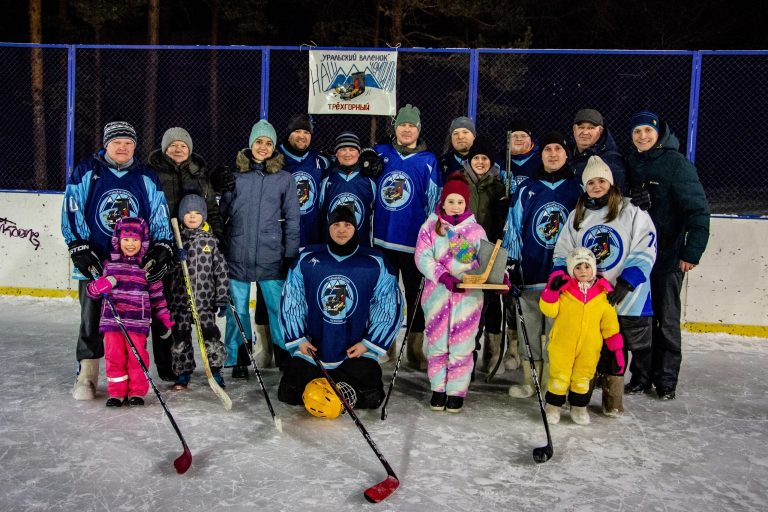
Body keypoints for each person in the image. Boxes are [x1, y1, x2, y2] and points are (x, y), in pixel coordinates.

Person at [62, 121, 173, 401]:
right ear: (106, 144)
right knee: (91, 318)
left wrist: (161, 245)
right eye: (117, 142)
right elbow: (73, 208)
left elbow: (159, 212)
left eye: (128, 143)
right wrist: (79, 245)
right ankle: (86, 375)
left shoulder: (146, 175)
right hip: (97, 262)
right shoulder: (88, 171)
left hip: (132, 269)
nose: (122, 147)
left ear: (135, 146)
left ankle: (132, 378)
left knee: (132, 323)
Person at [552, 156, 656, 416]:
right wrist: (560, 278)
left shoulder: (630, 211)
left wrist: (627, 280)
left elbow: (647, 245)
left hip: (625, 296)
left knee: (616, 348)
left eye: (601, 181)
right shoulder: (578, 214)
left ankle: (613, 400)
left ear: (610, 183)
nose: (596, 186)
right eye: (591, 182)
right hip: (588, 297)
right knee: (586, 348)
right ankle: (580, 398)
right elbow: (563, 251)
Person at [278, 205, 404, 410]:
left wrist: (368, 344)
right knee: (288, 393)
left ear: (356, 228)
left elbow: (388, 307)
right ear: (328, 228)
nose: (341, 230)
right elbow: (293, 300)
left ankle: (334, 382)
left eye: (347, 224)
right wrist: (299, 339)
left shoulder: (374, 261)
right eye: (336, 224)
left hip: (353, 352)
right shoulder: (307, 258)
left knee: (372, 398)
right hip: (314, 351)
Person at [626, 111, 710, 400]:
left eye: (647, 131)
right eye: (637, 132)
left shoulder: (676, 164)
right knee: (640, 319)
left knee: (667, 320)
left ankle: (666, 381)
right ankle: (641, 376)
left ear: (659, 132)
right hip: (638, 257)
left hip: (668, 257)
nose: (642, 136)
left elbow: (698, 210)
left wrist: (691, 251)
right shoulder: (632, 161)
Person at [502, 131, 582, 399]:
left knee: (557, 337)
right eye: (548, 149)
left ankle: (552, 384)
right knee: (530, 334)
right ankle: (530, 382)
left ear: (566, 154)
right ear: (542, 154)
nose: (553, 154)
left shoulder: (577, 190)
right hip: (531, 274)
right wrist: (511, 266)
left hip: (564, 280)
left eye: (558, 149)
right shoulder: (527, 189)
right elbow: (512, 229)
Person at [415, 174, 502, 412]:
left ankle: (456, 391)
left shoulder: (475, 230)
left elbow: (482, 260)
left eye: (460, 202)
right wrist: (443, 276)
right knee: (438, 343)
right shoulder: (430, 227)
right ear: (443, 203)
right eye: (450, 201)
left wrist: (496, 274)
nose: (455, 206)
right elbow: (422, 256)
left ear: (466, 204)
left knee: (462, 345)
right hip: (438, 294)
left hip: (468, 297)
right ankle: (438, 389)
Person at [220, 119, 300, 376]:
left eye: (268, 143)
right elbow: (221, 213)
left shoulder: (284, 179)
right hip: (238, 253)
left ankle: (284, 356)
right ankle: (240, 359)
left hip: (270, 254)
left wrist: (290, 253)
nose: (263, 147)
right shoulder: (236, 176)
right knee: (238, 310)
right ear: (250, 144)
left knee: (278, 308)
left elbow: (292, 218)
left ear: (275, 147)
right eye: (259, 142)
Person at [148, 126, 223, 382]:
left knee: (201, 318)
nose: (178, 149)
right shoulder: (153, 173)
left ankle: (210, 365)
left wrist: (217, 238)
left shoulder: (199, 173)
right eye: (173, 145)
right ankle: (170, 367)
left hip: (195, 251)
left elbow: (210, 208)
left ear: (190, 149)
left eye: (183, 145)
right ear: (164, 148)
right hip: (163, 248)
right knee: (164, 312)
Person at [373, 104, 441, 370]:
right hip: (382, 240)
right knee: (384, 296)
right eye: (402, 125)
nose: (407, 129)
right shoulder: (381, 153)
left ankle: (414, 350)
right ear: (395, 128)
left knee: (416, 297)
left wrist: (431, 239)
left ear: (418, 130)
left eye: (412, 126)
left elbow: (435, 202)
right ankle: (383, 345)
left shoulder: (428, 160)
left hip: (414, 243)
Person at [85, 217, 174, 407]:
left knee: (137, 357)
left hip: (137, 323)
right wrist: (100, 285)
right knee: (114, 357)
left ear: (143, 241)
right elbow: (92, 292)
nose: (130, 244)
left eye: (135, 239)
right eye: (126, 239)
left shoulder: (147, 267)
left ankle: (136, 392)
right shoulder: (109, 265)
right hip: (112, 322)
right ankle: (117, 393)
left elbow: (157, 296)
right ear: (118, 240)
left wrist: (164, 318)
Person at [539, 247, 624, 425]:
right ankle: (553, 407)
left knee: (582, 378)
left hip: (589, 348)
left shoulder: (603, 295)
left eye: (587, 266)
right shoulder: (565, 291)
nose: (583, 271)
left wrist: (617, 352)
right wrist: (551, 292)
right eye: (578, 267)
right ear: (571, 270)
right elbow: (549, 310)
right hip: (562, 344)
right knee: (559, 377)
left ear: (593, 268)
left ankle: (578, 408)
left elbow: (610, 326)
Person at [167, 194, 230, 390]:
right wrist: (174, 260)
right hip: (180, 301)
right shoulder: (175, 241)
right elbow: (166, 272)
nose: (192, 216)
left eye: (197, 213)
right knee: (181, 337)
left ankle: (215, 370)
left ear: (203, 215)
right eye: (187, 213)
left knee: (210, 336)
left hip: (204, 300)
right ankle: (183, 372)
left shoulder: (211, 242)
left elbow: (221, 271)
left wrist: (221, 297)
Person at [460, 137, 511, 376]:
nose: (480, 162)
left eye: (485, 159)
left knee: (491, 303)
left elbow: (507, 222)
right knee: (469, 306)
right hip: (464, 250)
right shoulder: (460, 182)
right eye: (476, 158)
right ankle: (467, 354)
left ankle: (491, 355)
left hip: (490, 249)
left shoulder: (498, 186)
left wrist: (503, 211)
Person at [278, 114, 330, 248]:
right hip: (281, 237)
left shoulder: (321, 161)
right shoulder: (275, 158)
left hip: (311, 236)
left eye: (306, 132)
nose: (302, 136)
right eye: (297, 131)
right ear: (289, 134)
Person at [319, 132, 377, 247]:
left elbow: (375, 210)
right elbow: (321, 208)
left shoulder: (369, 180)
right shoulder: (327, 178)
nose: (347, 153)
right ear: (336, 153)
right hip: (332, 244)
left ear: (359, 152)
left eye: (352, 149)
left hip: (361, 244)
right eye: (343, 149)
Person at [569, 109, 627, 191]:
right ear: (574, 129)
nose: (585, 132)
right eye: (581, 127)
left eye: (591, 128)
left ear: (600, 131)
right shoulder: (565, 153)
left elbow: (616, 194)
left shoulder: (611, 159)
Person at [501, 119, 539, 195]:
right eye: (514, 136)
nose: (519, 139)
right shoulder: (499, 160)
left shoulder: (540, 161)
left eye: (523, 136)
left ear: (531, 140)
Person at [440, 116, 476, 180]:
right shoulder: (441, 164)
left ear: (474, 136)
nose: (460, 137)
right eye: (455, 133)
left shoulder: (485, 163)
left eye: (465, 132)